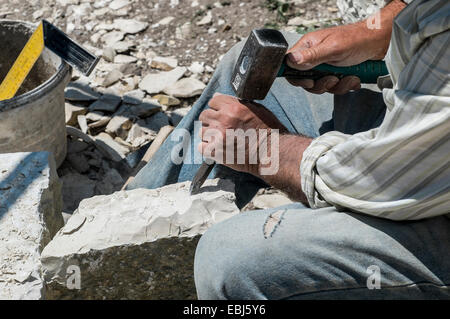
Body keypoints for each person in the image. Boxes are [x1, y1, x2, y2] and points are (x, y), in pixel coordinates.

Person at [127, 0, 449, 299]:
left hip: (418, 201)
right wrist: (377, 35)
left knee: (224, 259)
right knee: (242, 69)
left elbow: (380, 181)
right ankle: (130, 228)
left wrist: (266, 150)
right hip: (419, 138)